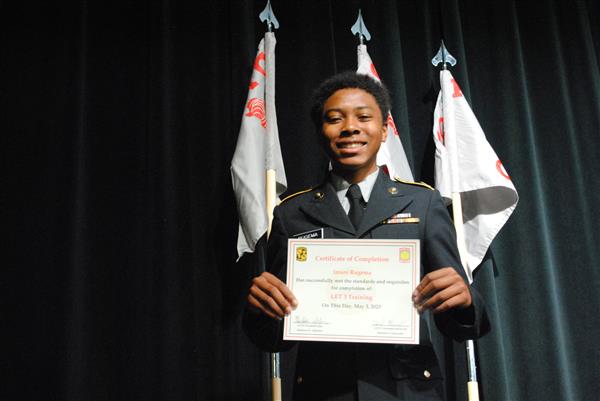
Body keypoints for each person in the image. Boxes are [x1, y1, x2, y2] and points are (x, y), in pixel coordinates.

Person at [243, 71, 490, 401]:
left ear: (384, 130)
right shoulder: (290, 214)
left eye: (364, 117)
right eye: (334, 119)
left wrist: (466, 301)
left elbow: (463, 325)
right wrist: (261, 309)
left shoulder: (423, 202)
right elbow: (274, 338)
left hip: (408, 390)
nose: (350, 128)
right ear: (321, 133)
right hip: (324, 390)